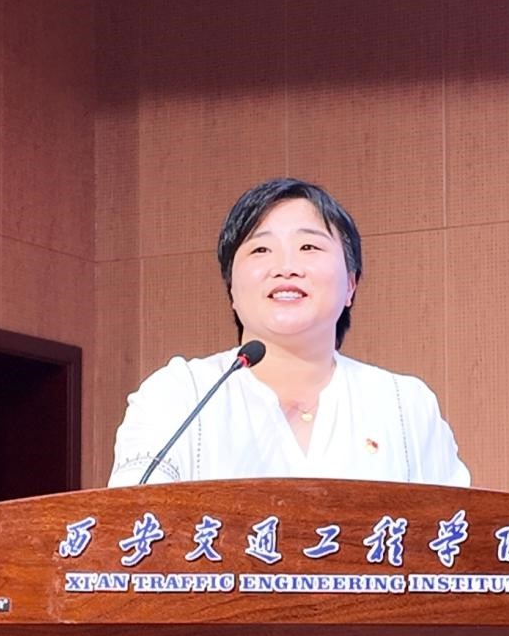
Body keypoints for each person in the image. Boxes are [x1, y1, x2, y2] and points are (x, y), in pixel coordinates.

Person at [107, 178, 469, 488]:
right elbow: (131, 530)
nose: (286, 267)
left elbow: (459, 534)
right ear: (232, 288)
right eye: (261, 249)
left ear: (350, 285)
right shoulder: (179, 395)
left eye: (309, 247)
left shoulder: (404, 405)